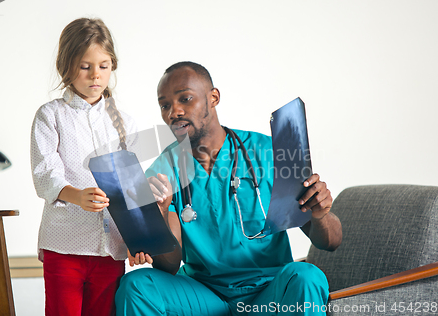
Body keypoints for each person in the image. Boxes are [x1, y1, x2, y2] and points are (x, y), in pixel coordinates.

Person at [115, 61, 343, 315]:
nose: (174, 112)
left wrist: (320, 215)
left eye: (185, 99)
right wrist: (159, 214)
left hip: (269, 292)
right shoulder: (163, 171)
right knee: (136, 286)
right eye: (165, 105)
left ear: (213, 98)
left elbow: (331, 241)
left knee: (307, 276)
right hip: (204, 296)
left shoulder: (271, 153)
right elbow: (168, 266)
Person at [30, 17, 139, 316]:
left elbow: (131, 189)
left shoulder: (124, 123)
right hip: (63, 246)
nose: (95, 75)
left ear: (112, 65)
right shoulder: (50, 115)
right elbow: (45, 175)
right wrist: (77, 195)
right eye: (85, 66)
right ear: (66, 67)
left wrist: (138, 239)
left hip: (111, 249)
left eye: (103, 66)